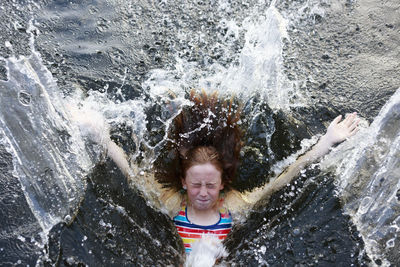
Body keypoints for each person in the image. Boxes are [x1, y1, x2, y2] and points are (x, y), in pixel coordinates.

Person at [69, 90, 359, 257]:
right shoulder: (173, 205)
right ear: (184, 182)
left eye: (210, 184)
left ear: (222, 184)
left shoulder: (234, 208)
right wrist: (100, 136)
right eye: (196, 185)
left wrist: (326, 143)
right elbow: (132, 176)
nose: (203, 192)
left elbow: (284, 179)